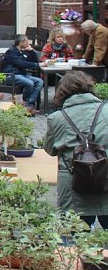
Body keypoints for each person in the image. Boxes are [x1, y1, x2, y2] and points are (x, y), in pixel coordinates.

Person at [45, 71, 108, 229]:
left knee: (72, 244)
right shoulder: (106, 112)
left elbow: (50, 149)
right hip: (105, 178)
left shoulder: (57, 118)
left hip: (73, 185)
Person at [1, 34, 44, 115]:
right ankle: (26, 102)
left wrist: (31, 51)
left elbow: (34, 61)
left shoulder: (23, 51)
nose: (28, 43)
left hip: (22, 75)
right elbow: (21, 64)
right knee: (30, 83)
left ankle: (29, 104)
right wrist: (37, 65)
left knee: (39, 81)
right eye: (27, 41)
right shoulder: (11, 52)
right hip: (11, 76)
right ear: (21, 43)